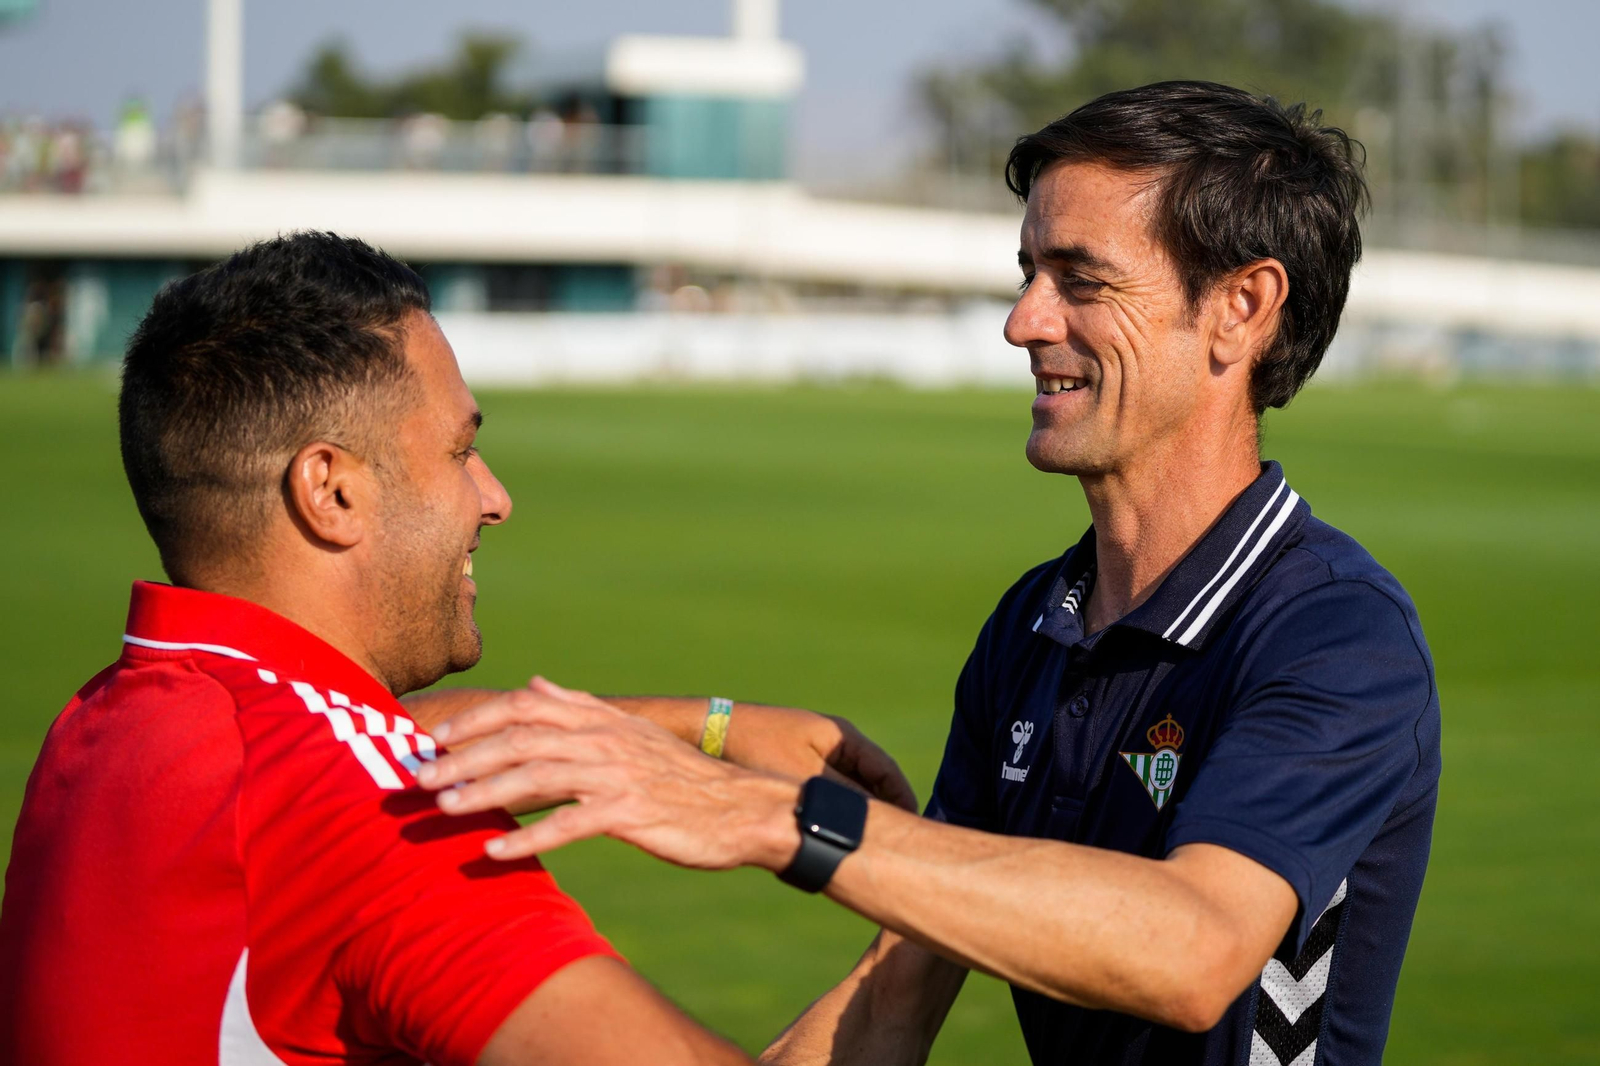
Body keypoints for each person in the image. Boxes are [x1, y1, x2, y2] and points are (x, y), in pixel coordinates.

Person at [414, 82, 1443, 1066]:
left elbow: (1191, 950)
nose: (1023, 321)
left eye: (1080, 279)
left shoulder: (1333, 631)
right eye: (1028, 271)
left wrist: (774, 819)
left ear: (1241, 307)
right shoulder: (1035, 624)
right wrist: (648, 730)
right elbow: (894, 992)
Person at [0, 231, 910, 1066]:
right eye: (460, 450)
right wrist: (930, 911)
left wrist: (704, 729)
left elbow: (356, 736)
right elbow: (361, 775)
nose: (494, 496)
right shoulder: (376, 825)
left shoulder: (103, 721)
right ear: (332, 492)